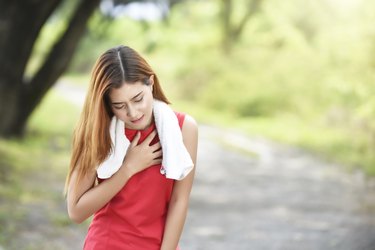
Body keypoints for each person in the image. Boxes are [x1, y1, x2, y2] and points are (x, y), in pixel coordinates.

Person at [65, 45, 198, 250]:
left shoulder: (183, 128)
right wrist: (128, 168)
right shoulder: (98, 132)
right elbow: (76, 211)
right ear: (107, 104)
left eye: (138, 99)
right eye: (119, 106)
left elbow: (179, 201)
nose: (133, 112)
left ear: (150, 83)